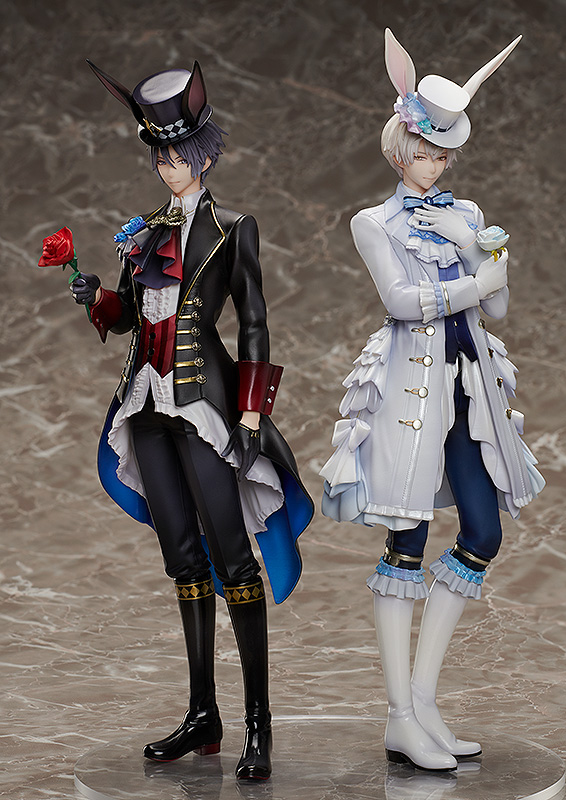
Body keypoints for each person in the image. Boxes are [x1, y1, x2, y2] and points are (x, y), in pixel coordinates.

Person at [70, 60, 313, 781]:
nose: (166, 165)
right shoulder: (144, 232)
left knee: (233, 559)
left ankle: (259, 725)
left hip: (205, 407)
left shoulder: (233, 228)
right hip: (145, 404)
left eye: (176, 153)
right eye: (159, 153)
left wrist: (251, 412)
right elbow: (126, 316)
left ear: (202, 155)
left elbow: (255, 327)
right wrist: (96, 297)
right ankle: (203, 714)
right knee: (182, 557)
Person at [320, 30, 544, 771]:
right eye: (425, 150)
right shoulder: (373, 222)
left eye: (444, 153)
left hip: (469, 387)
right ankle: (398, 716)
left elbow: (499, 308)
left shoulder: (467, 212)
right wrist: (474, 279)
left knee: (482, 532)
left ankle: (422, 703)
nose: (436, 163)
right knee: (406, 542)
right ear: (399, 148)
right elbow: (399, 300)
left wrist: (477, 247)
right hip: (409, 394)